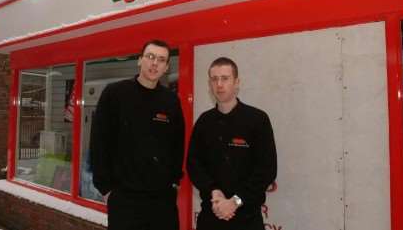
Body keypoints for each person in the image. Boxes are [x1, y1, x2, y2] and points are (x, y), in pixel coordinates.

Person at [90, 39, 185, 230]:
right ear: (139, 60)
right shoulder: (115, 94)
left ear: (166, 67)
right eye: (150, 57)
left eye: (161, 59)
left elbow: (177, 144)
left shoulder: (171, 100)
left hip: (162, 201)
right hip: (125, 200)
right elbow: (99, 142)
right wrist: (106, 189)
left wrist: (174, 181)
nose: (154, 63)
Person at [187, 57, 277, 230]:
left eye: (225, 78)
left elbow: (267, 169)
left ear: (237, 82)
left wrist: (235, 201)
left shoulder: (257, 120)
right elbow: (194, 164)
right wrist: (213, 191)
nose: (219, 84)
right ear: (209, 83)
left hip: (247, 218)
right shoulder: (204, 122)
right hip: (211, 215)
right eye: (214, 79)